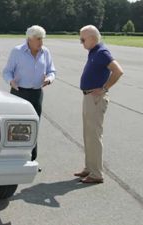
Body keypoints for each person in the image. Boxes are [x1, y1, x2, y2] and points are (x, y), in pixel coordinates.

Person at [74, 25, 124, 184]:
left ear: (92, 38)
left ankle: (96, 174)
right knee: (88, 135)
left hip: (95, 99)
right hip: (88, 97)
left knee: (94, 136)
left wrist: (104, 88)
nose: (81, 42)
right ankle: (89, 167)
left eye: (83, 39)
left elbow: (118, 71)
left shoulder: (102, 52)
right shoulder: (93, 51)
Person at [3, 25, 56, 161]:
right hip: (19, 92)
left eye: (42, 39)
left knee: (34, 125)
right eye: (38, 39)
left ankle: (31, 158)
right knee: (16, 125)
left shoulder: (45, 52)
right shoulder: (17, 51)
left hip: (36, 94)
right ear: (30, 39)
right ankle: (14, 157)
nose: (41, 42)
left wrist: (49, 79)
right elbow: (7, 71)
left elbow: (52, 71)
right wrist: (11, 81)